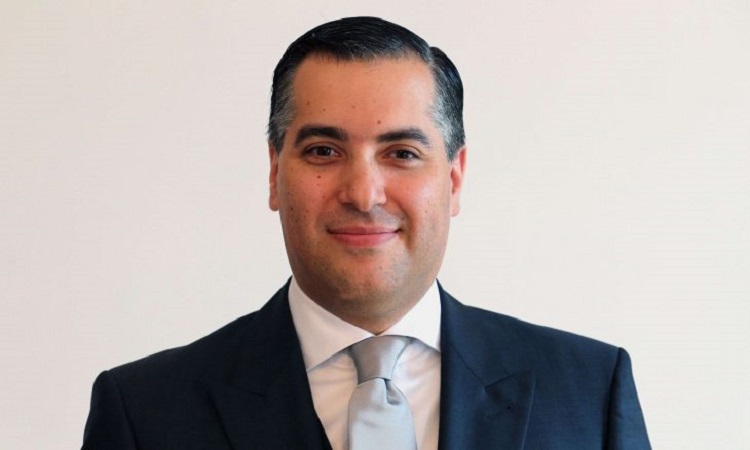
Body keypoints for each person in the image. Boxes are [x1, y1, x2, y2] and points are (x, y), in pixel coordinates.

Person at [82, 16, 651, 449]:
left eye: (401, 153)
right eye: (323, 151)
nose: (363, 193)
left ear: (454, 180)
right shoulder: (144, 411)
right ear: (276, 173)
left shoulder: (589, 391)